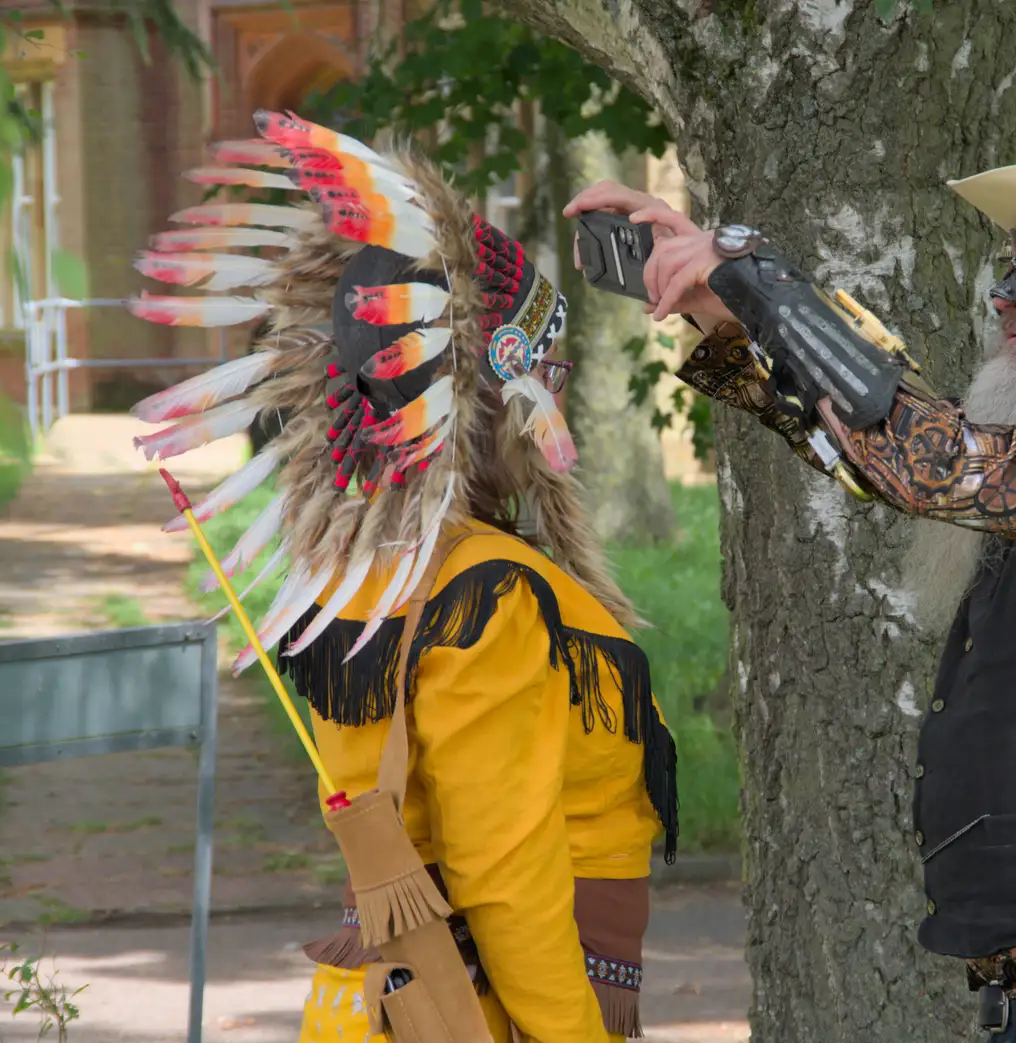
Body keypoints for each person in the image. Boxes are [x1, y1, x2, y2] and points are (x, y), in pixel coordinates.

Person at [567, 127, 1016, 1042]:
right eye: (1012, 265)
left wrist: (752, 272)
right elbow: (894, 446)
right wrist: (728, 312)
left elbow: (932, 458)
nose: (1008, 298)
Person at [127, 111, 678, 1043]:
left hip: (384, 1009)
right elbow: (503, 874)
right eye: (549, 363)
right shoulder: (486, 594)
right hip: (479, 1014)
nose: (566, 379)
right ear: (496, 393)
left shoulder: (363, 574)